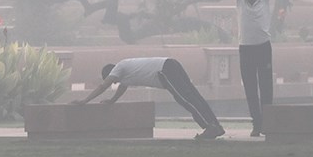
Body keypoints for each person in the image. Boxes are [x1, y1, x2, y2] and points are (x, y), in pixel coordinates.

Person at [75, 57, 225, 140]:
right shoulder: (125, 70)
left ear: (110, 72)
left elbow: (102, 86)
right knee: (194, 97)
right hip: (171, 63)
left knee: (185, 100)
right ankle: (216, 126)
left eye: (112, 79)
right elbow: (122, 87)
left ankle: (209, 128)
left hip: (164, 70)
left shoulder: (118, 69)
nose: (114, 82)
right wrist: (112, 100)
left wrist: (84, 101)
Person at [233, 0, 275, 137]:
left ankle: (268, 123)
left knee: (266, 87)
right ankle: (256, 125)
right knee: (250, 88)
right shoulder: (240, 0)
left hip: (263, 48)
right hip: (246, 49)